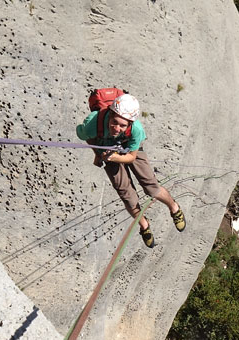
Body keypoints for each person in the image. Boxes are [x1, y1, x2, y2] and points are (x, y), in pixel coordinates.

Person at [76, 93, 185, 248]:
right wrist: (98, 153)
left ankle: (174, 207)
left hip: (127, 149)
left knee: (151, 187)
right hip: (108, 150)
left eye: (122, 126)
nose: (117, 128)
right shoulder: (93, 123)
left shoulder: (136, 130)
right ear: (110, 113)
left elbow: (132, 157)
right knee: (126, 194)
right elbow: (86, 135)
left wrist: (114, 158)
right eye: (115, 122)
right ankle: (144, 225)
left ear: (130, 124)